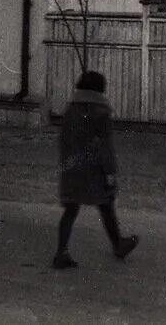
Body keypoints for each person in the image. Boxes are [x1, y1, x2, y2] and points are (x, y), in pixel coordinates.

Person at [53, 70, 138, 269]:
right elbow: (105, 146)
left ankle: (61, 252)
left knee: (71, 209)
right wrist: (110, 172)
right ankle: (118, 244)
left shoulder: (71, 109)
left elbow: (64, 140)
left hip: (72, 166)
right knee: (106, 204)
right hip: (94, 169)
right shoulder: (102, 112)